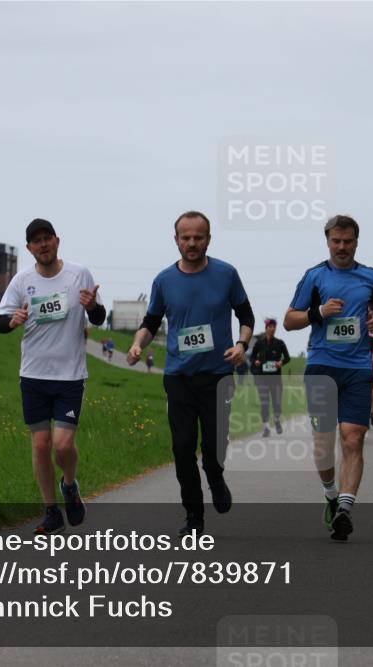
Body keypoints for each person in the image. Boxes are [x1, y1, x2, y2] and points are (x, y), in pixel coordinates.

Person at [127, 211, 254, 535]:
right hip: (179, 377)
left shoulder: (226, 274)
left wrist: (241, 344)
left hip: (217, 376)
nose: (192, 243)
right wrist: (137, 345)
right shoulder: (164, 280)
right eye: (186, 238)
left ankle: (215, 475)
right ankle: (194, 517)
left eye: (198, 237)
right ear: (176, 240)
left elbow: (246, 315)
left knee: (213, 447)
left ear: (208, 239)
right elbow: (151, 322)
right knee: (182, 447)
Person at [0, 218, 106, 534]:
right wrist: (12, 321)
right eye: (36, 241)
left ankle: (69, 485)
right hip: (33, 375)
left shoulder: (78, 274)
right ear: (29, 248)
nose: (43, 244)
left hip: (69, 376)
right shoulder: (21, 281)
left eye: (48, 238)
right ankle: (51, 511)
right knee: (41, 445)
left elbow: (98, 317)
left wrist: (93, 305)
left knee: (62, 445)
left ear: (58, 241)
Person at [284, 214, 373, 541]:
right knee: (324, 445)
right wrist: (318, 313)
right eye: (336, 241)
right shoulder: (314, 277)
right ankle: (330, 494)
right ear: (327, 241)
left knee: (353, 437)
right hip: (321, 367)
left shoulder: (371, 277)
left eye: (348, 241)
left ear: (357, 242)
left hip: (358, 367)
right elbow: (289, 320)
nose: (341, 247)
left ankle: (344, 509)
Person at [251, 318, 291, 437]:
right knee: (264, 403)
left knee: (277, 403)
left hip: (276, 379)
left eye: (274, 327)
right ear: (266, 328)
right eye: (270, 326)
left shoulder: (280, 343)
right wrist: (256, 362)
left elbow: (287, 358)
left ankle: (277, 421)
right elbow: (252, 358)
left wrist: (281, 363)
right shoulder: (259, 344)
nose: (272, 329)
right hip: (262, 379)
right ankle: (266, 428)